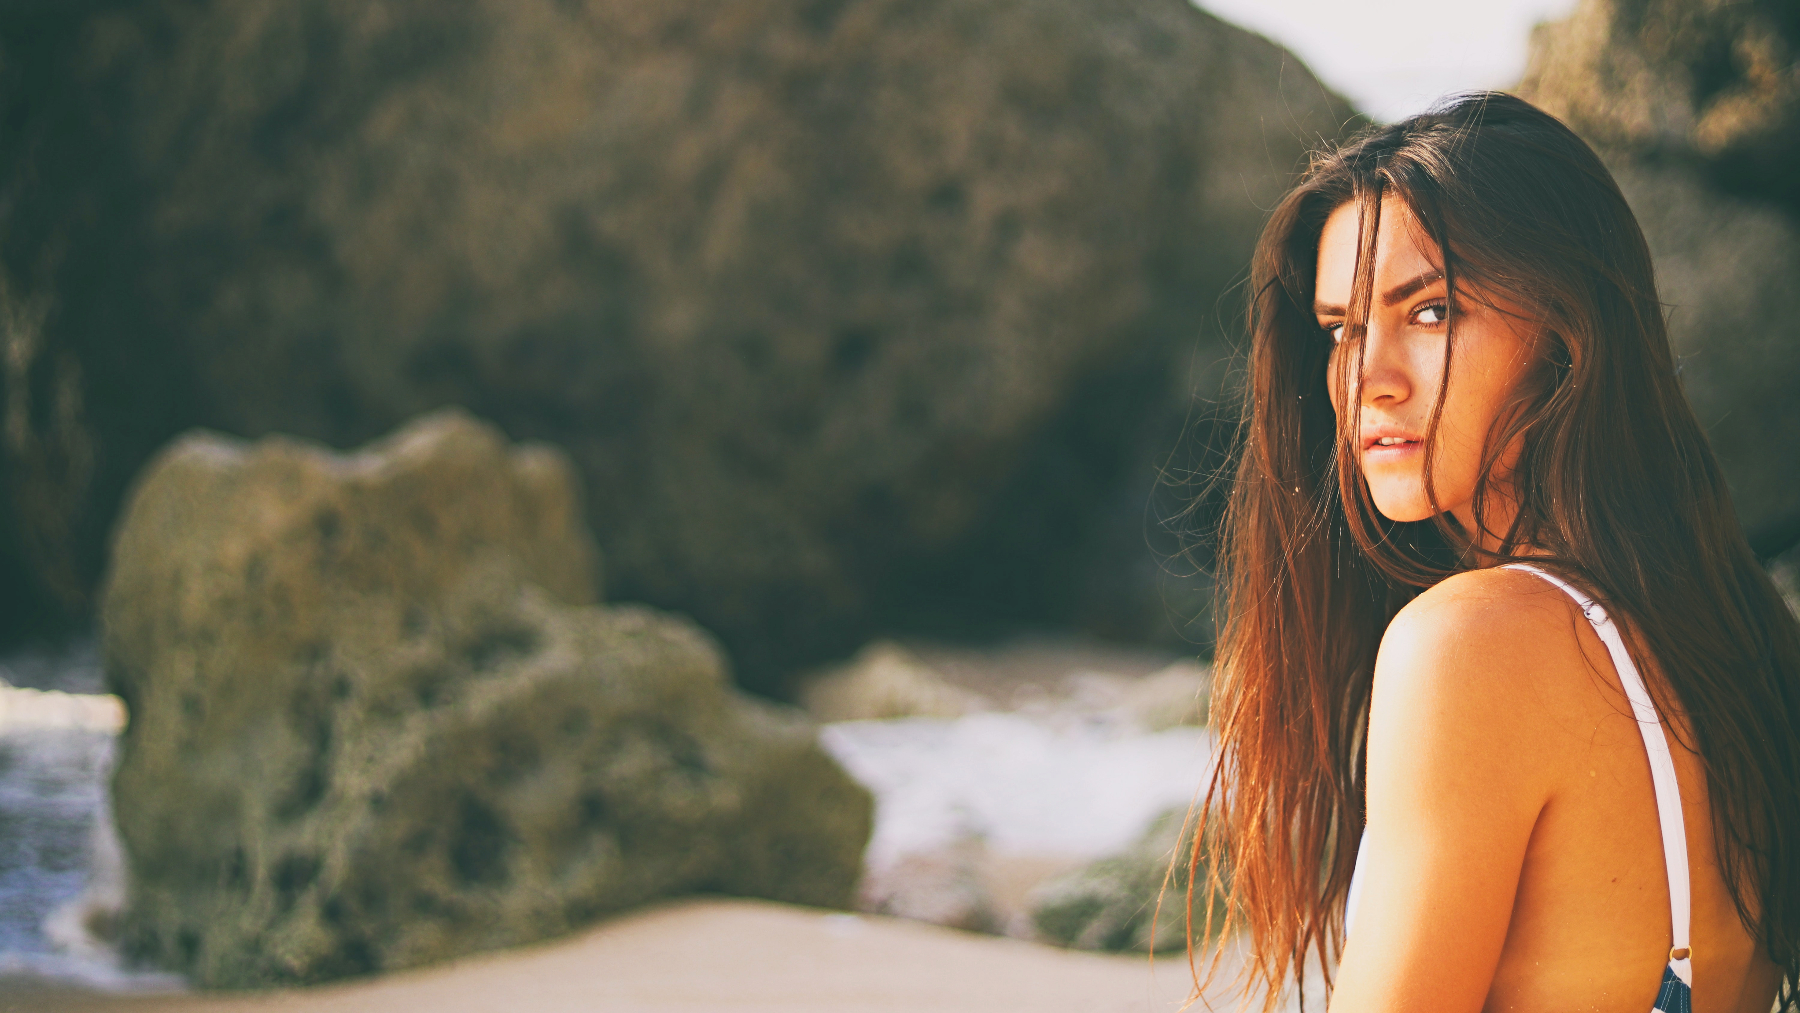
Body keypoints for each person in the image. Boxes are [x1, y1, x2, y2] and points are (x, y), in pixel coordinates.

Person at [1189, 92, 1799, 1013]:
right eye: (1340, 330)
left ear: (1564, 325)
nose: (1369, 379)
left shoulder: (1472, 643)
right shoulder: (1730, 638)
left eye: (1429, 312)